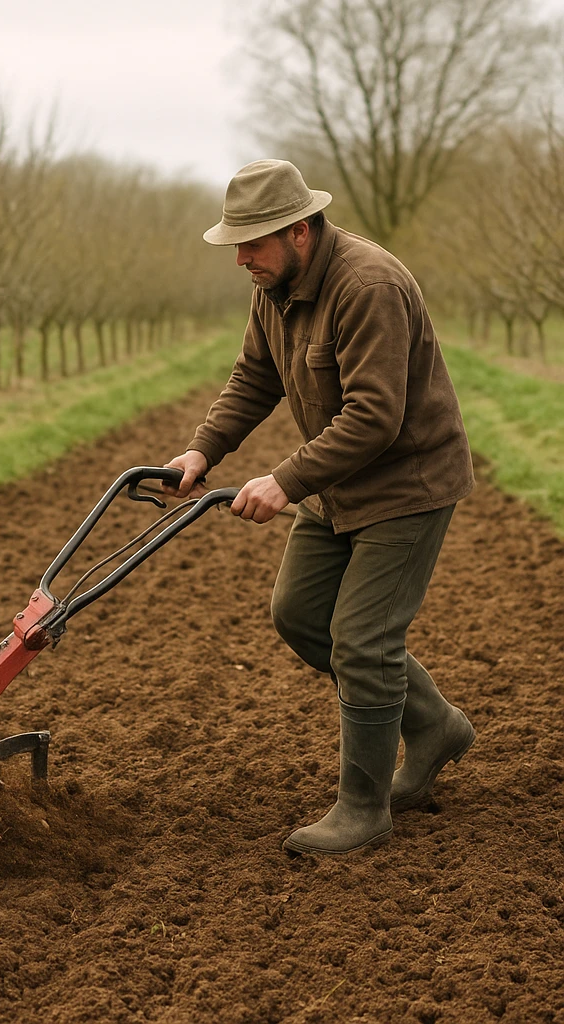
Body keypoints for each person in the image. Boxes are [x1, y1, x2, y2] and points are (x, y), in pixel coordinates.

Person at [164, 159, 475, 856]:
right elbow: (255, 376)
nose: (241, 257)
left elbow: (374, 416)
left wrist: (284, 480)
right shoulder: (273, 285)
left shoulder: (366, 284)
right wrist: (201, 452)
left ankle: (364, 808)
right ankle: (433, 726)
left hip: (406, 485)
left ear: (300, 231)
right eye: (235, 243)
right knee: (301, 614)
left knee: (364, 641)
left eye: (253, 242)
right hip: (339, 486)